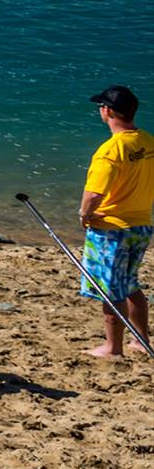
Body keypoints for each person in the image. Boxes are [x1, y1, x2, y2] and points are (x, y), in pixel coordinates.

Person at [79, 84, 150, 358]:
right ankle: (140, 340)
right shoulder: (147, 142)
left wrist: (85, 215)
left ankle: (113, 347)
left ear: (107, 111)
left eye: (101, 106)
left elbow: (94, 193)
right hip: (142, 225)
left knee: (111, 288)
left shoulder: (111, 150)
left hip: (111, 229)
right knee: (130, 283)